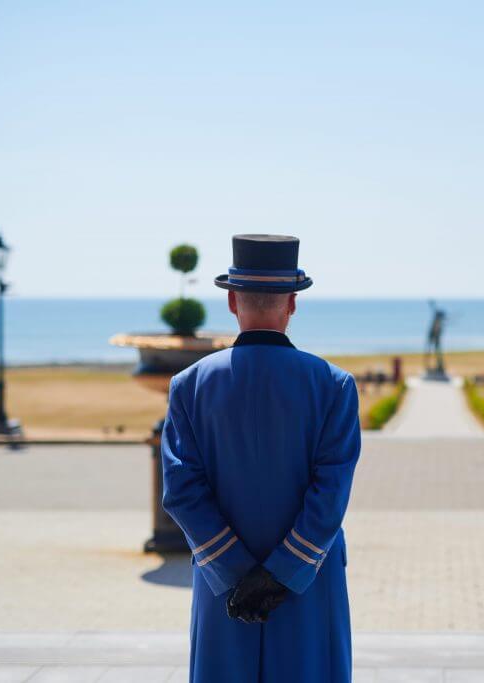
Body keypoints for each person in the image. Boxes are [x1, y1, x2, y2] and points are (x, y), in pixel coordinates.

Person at [161, 234, 361, 682]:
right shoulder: (334, 385)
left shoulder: (189, 385)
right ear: (292, 303)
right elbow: (330, 493)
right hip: (308, 583)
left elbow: (181, 491)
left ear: (232, 302)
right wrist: (281, 574)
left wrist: (236, 572)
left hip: (221, 584)